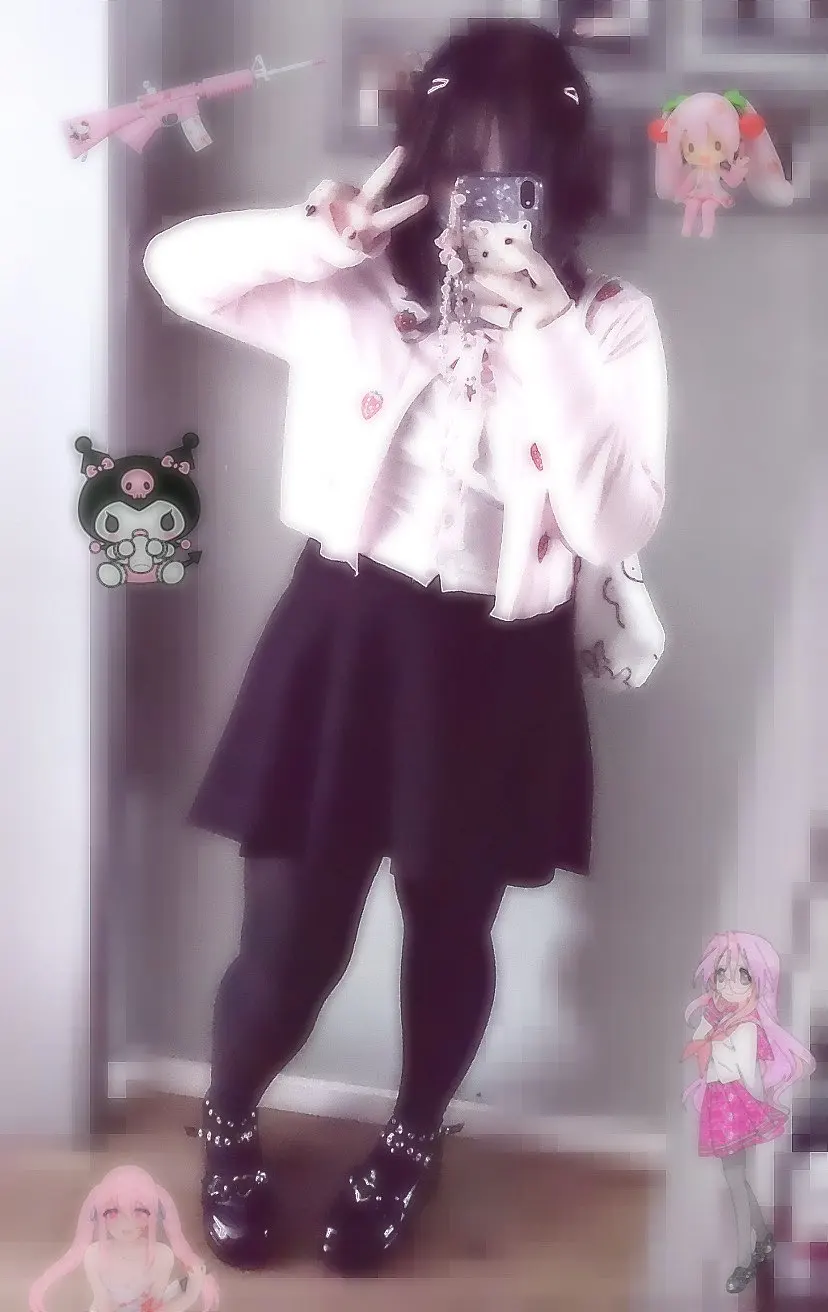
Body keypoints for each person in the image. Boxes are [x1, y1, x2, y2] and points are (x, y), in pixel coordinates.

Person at [143, 17, 668, 1277]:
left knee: (449, 934)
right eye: (466, 155)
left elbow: (615, 522)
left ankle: (412, 1141)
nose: (490, 186)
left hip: (497, 662)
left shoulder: (609, 323)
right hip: (343, 636)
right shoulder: (355, 285)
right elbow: (176, 270)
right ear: (426, 156)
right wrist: (313, 236)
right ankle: (228, 1122)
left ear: (560, 170)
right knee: (289, 943)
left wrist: (544, 333)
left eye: (516, 161)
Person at [683, 932, 815, 1295]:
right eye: (721, 973)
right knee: (736, 1180)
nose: (729, 983)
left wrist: (760, 1101)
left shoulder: (747, 1027)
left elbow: (750, 1076)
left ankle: (746, 1259)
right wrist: (711, 1029)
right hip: (719, 1104)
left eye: (742, 975)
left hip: (735, 1108)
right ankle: (765, 1236)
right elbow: (699, 1046)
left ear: (758, 982)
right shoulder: (716, 1018)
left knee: (735, 1182)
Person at [28, 1166, 219, 1311]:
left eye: (139, 1211)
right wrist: (188, 1295)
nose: (126, 1223)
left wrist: (190, 1294)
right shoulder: (94, 1255)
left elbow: (155, 1307)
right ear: (98, 1213)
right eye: (112, 1212)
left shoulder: (162, 1256)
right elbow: (103, 1304)